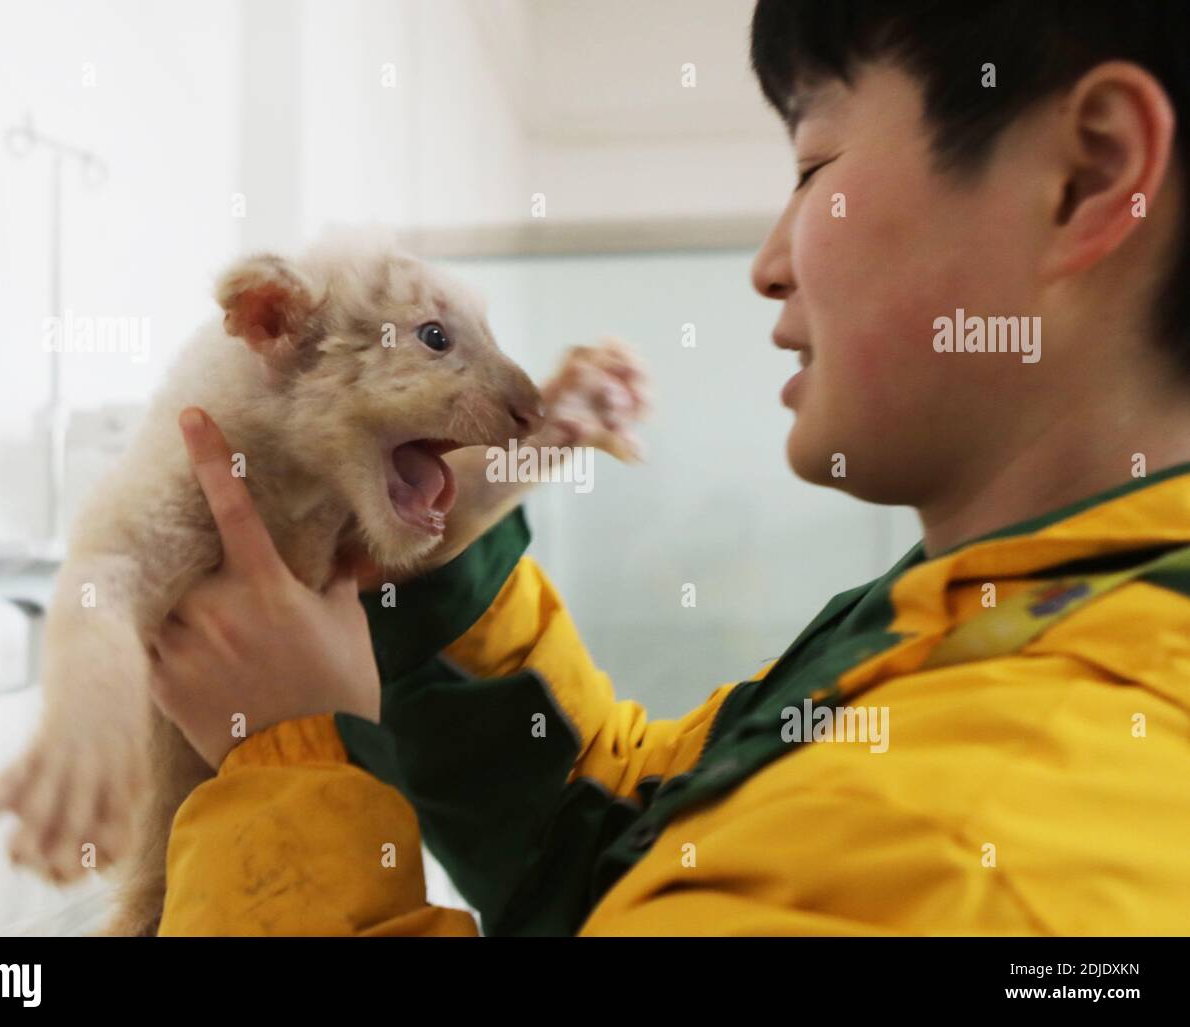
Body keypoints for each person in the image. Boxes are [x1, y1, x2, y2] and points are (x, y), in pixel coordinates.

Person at [149, 0, 1190, 935]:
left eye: (813, 168)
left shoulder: (963, 852)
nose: (767, 261)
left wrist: (288, 768)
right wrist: (432, 567)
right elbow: (625, 826)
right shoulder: (989, 623)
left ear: (1086, 177)